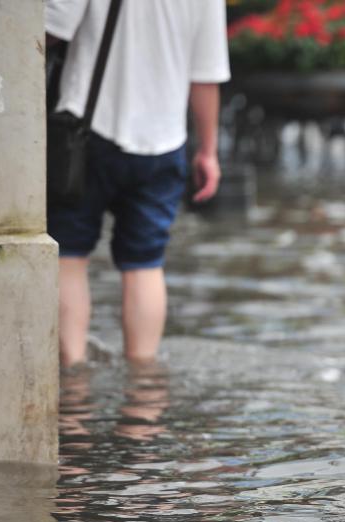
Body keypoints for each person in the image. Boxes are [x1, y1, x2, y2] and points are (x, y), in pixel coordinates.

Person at [45, 0, 231, 367]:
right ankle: (143, 398)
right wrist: (207, 150)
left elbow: (49, 30)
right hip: (163, 142)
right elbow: (205, 74)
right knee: (145, 263)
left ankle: (72, 384)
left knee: (68, 254)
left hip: (84, 135)